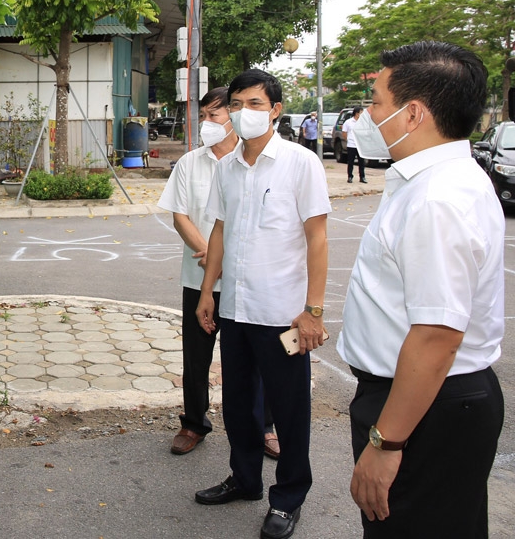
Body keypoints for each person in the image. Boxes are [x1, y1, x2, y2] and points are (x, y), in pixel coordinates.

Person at [338, 41, 504, 539]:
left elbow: (436, 336)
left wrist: (386, 445)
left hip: (424, 408)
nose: (369, 114)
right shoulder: (430, 180)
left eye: (377, 102)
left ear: (412, 114)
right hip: (422, 399)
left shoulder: (437, 198)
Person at [194, 69, 330, 539]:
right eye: (237, 104)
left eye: (254, 104)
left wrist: (313, 310)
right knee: (238, 406)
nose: (243, 112)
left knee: (289, 411)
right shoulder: (227, 167)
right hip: (235, 310)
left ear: (275, 110)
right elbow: (219, 230)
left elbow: (317, 237)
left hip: (282, 313)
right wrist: (209, 289)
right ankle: (246, 479)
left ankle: (288, 497)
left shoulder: (300, 162)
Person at [158, 88, 282, 460]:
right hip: (198, 279)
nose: (207, 123)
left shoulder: (258, 162)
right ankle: (194, 422)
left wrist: (230, 258)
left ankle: (264, 426)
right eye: (204, 116)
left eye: (214, 116)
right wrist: (212, 255)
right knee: (196, 357)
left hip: (249, 281)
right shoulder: (189, 163)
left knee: (257, 357)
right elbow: (180, 215)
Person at [342, 107, 366, 183]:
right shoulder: (348, 122)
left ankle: (362, 177)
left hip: (360, 145)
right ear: (357, 113)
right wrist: (348, 140)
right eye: (361, 113)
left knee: (361, 162)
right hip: (351, 145)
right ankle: (350, 177)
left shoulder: (363, 122)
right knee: (351, 162)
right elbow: (344, 133)